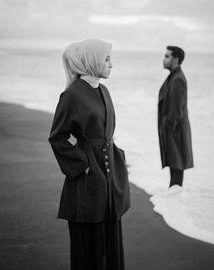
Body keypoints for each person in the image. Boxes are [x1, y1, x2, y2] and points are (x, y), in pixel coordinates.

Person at [48, 39, 130, 270]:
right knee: (90, 246)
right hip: (88, 179)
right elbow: (57, 136)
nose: (111, 64)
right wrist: (82, 164)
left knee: (111, 240)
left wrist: (119, 156)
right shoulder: (72, 95)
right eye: (106, 59)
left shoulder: (103, 89)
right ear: (92, 60)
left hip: (110, 175)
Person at [158, 46, 194, 188]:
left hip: (175, 131)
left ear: (176, 59)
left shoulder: (177, 79)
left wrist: (169, 122)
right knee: (175, 167)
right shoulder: (174, 76)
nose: (164, 59)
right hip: (174, 129)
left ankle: (174, 201)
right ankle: (173, 200)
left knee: (177, 167)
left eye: (167, 56)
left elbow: (177, 109)